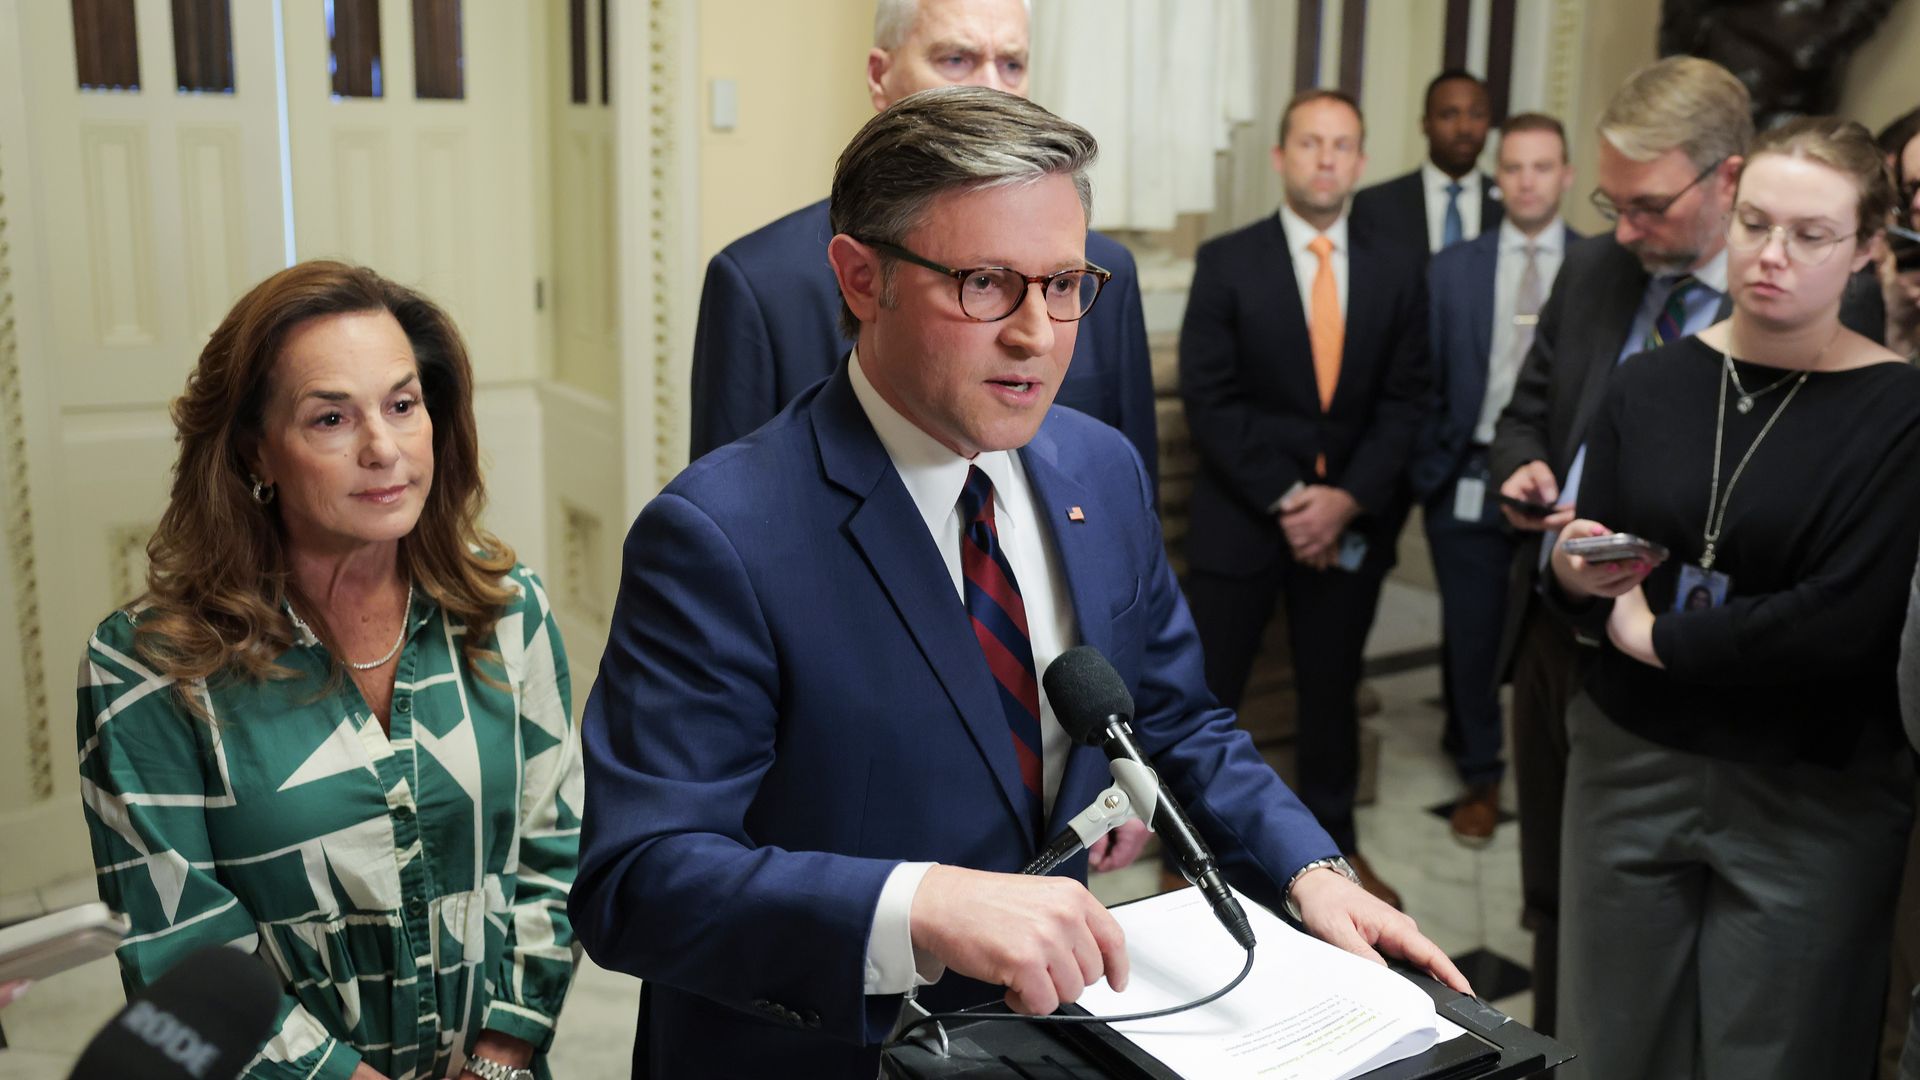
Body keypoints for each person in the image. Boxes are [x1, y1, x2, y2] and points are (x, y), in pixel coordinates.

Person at [570, 86, 1467, 1079]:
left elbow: (1177, 721)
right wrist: (923, 904)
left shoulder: (1100, 472)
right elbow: (640, 881)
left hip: (1047, 1043)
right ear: (861, 278)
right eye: (987, 284)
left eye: (1065, 283)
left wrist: (1311, 870)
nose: (1038, 334)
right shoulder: (719, 536)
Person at [76, 262, 581, 1080]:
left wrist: (500, 1055)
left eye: (403, 404)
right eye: (331, 418)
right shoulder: (147, 668)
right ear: (255, 451)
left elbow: (555, 850)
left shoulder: (505, 608)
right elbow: (176, 946)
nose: (383, 448)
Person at [1547, 116, 1916, 1079]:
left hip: (1810, 783)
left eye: (1811, 235)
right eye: (1755, 224)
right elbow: (1606, 557)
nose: (1772, 256)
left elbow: (1846, 620)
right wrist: (1577, 576)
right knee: (1611, 1040)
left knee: (1776, 1052)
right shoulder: (1651, 381)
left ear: (1868, 247)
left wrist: (1657, 638)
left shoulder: (1896, 410)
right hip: (1631, 760)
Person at [1487, 55, 1751, 1035]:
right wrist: (1524, 470)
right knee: (1557, 896)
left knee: (1655, 920)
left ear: (1729, 177)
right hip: (1557, 635)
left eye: (1648, 206)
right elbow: (1528, 411)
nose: (1625, 229)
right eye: (1614, 202)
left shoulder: (1784, 303)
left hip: (1673, 658)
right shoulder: (1599, 266)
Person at [686, 0, 1159, 502]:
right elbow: (733, 510)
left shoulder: (1101, 273)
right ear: (879, 76)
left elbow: (1125, 511)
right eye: (956, 59)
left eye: (1012, 64)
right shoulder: (761, 282)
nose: (990, 89)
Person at [1178, 88, 1429, 908]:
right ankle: (1194, 860)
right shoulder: (1228, 260)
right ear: (1282, 157)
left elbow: (1407, 399)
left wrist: (1345, 500)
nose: (1327, 158)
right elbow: (1209, 398)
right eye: (1311, 143)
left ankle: (1336, 862)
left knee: (1332, 694)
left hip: (1350, 524)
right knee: (1207, 694)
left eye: (1343, 145)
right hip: (1243, 520)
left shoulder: (1398, 266)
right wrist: (1293, 499)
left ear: (1360, 161)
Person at [1408, 113, 1579, 847]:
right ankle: (1482, 772)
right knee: (1472, 636)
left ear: (1567, 176)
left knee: (1555, 636)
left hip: (1563, 485)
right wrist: (1429, 471)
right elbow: (1422, 379)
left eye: (1543, 167)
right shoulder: (1454, 267)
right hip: (1468, 476)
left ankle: (1563, 772)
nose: (1528, 181)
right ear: (1496, 177)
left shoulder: (1600, 268)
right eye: (1514, 167)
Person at [1350, 69, 1503, 261]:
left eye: (1476, 114)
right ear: (1425, 124)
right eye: (1449, 115)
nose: (1464, 127)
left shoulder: (1508, 204)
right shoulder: (1377, 205)